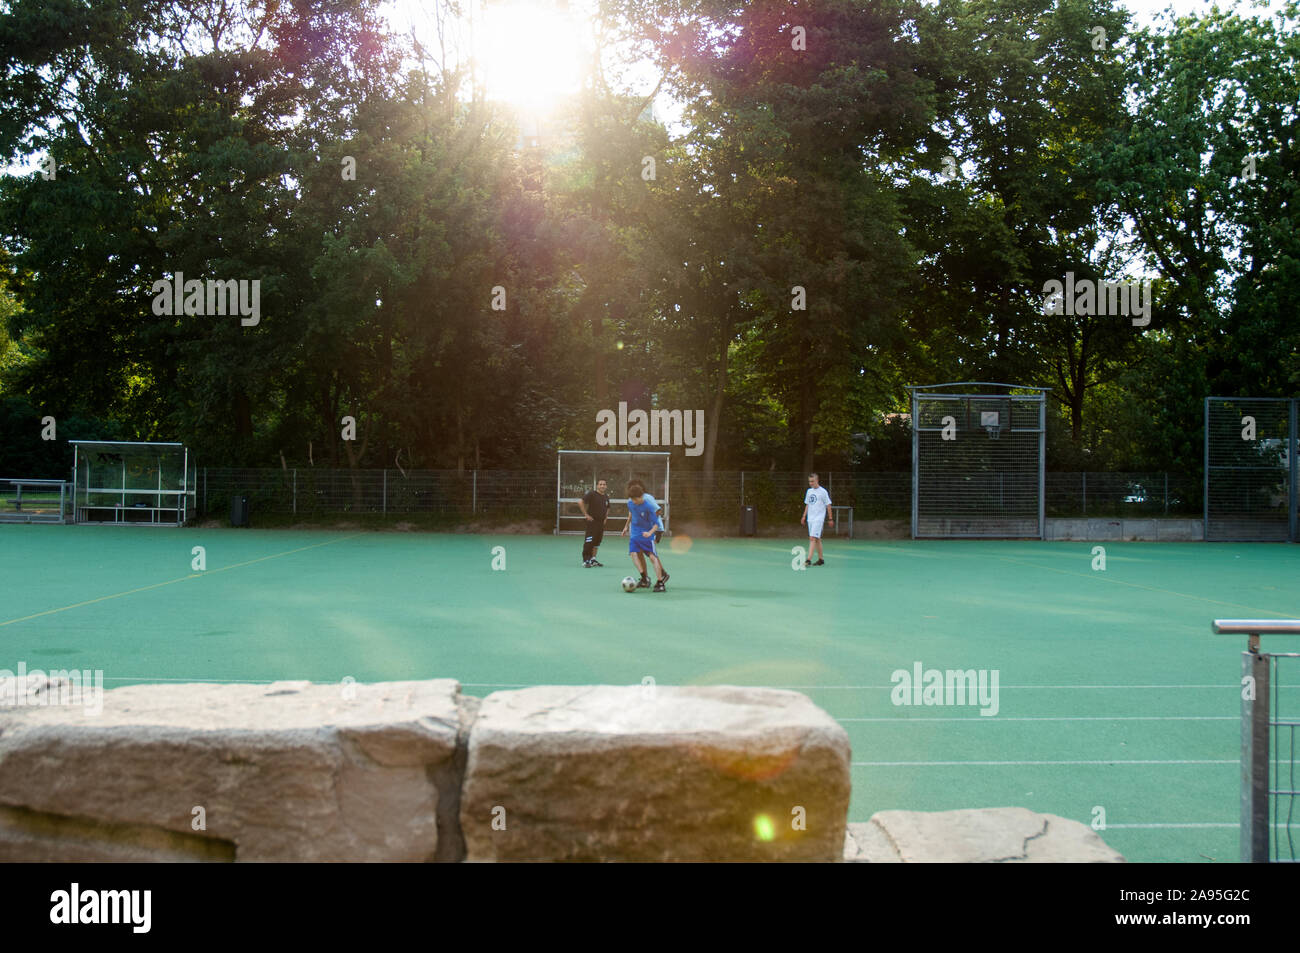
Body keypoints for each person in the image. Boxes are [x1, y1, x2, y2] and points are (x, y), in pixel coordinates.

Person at [621, 480, 670, 591]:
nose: (632, 501)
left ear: (640, 495)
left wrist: (651, 531)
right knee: (636, 554)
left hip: (649, 532)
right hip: (636, 533)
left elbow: (657, 514)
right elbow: (631, 513)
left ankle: (661, 578)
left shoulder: (648, 502)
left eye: (634, 499)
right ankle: (644, 578)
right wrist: (626, 526)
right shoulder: (631, 502)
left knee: (652, 555)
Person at [801, 472, 832, 566]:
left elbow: (828, 505)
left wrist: (830, 518)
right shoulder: (809, 491)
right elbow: (807, 505)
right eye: (809, 482)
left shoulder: (823, 492)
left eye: (812, 481)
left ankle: (808, 560)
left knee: (812, 538)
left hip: (818, 519)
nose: (811, 483)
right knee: (817, 539)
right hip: (810, 519)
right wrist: (804, 516)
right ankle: (821, 560)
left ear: (817, 480)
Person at [578, 478, 610, 567]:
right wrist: (586, 514)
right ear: (597, 486)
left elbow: (608, 508)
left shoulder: (606, 496)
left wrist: (605, 518)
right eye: (600, 484)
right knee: (589, 541)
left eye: (604, 484)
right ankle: (586, 560)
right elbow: (580, 502)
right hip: (592, 522)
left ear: (606, 486)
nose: (602, 486)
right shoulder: (592, 494)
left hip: (600, 523)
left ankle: (593, 559)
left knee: (597, 542)